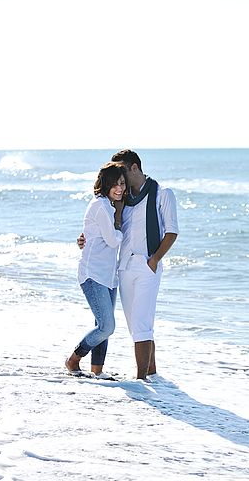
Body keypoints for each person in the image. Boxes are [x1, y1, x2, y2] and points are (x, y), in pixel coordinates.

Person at [78, 149, 179, 380]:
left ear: (134, 167)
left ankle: (141, 380)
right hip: (122, 267)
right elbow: (104, 227)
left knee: (142, 323)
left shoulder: (162, 194)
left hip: (146, 266)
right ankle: (152, 374)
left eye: (123, 171)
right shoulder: (121, 200)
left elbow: (172, 232)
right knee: (137, 325)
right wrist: (84, 238)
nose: (120, 181)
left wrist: (153, 261)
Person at [66, 162, 128, 378]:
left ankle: (97, 372)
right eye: (115, 184)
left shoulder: (108, 206)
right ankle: (73, 359)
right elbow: (112, 240)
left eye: (122, 183)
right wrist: (119, 223)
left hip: (108, 276)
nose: (119, 188)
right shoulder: (101, 206)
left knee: (101, 325)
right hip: (93, 274)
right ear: (105, 184)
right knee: (107, 326)